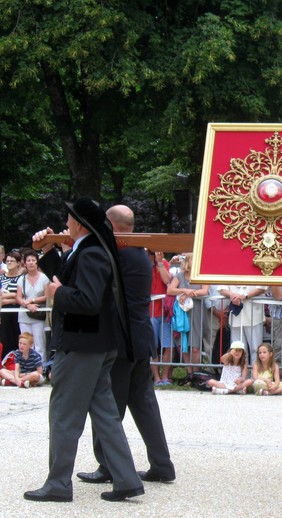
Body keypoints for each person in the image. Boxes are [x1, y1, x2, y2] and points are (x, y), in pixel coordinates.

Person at [25, 197, 143, 502]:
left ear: (79, 223)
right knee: (105, 416)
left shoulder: (91, 253)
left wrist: (58, 293)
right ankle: (127, 479)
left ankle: (58, 484)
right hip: (95, 346)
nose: (65, 223)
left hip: (82, 347)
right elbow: (66, 273)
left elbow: (86, 300)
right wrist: (49, 254)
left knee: (64, 415)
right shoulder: (90, 250)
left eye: (69, 218)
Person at [75, 204, 175, 486]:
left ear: (112, 225)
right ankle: (162, 464)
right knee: (144, 406)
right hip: (140, 340)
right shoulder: (139, 254)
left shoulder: (116, 255)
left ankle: (108, 465)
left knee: (108, 406)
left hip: (120, 343)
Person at [167, 253, 209, 378]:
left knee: (195, 346)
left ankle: (196, 374)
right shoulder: (179, 276)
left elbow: (204, 291)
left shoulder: (202, 275)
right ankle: (189, 374)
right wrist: (183, 290)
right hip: (182, 312)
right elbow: (170, 290)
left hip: (196, 311)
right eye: (191, 259)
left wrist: (189, 294)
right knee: (184, 345)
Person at [217, 285, 267, 365]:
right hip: (236, 316)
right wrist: (232, 295)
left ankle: (255, 375)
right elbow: (221, 288)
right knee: (237, 349)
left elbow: (263, 287)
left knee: (256, 348)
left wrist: (245, 295)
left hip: (254, 314)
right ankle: (240, 375)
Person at [15, 249, 49, 363]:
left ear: (37, 262)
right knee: (25, 343)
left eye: (33, 260)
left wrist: (32, 300)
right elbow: (18, 297)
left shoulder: (44, 278)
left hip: (38, 314)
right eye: (28, 260)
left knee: (39, 343)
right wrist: (27, 304)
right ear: (25, 263)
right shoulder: (22, 279)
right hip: (24, 314)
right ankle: (26, 367)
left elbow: (46, 296)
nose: (30, 262)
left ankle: (41, 368)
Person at [148, 249, 173, 385]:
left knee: (168, 345)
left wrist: (159, 263)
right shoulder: (143, 263)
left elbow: (167, 280)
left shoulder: (163, 263)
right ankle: (156, 377)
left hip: (164, 312)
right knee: (153, 346)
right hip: (149, 312)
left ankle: (165, 377)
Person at [0, 250, 24, 355]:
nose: (9, 263)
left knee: (17, 336)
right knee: (4, 338)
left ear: (18, 263)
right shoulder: (1, 278)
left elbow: (22, 296)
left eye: (12, 261)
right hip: (4, 312)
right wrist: (14, 295)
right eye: (8, 261)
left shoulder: (22, 278)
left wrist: (6, 298)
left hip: (18, 312)